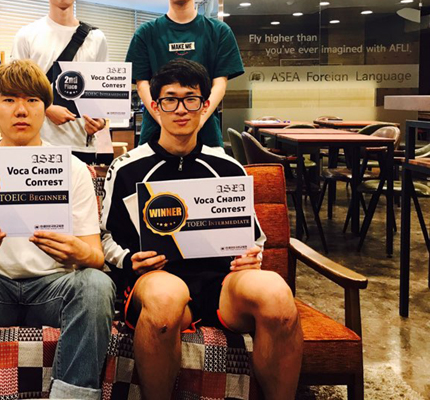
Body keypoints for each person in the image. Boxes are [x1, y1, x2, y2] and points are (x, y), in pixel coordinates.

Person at [100, 59, 302, 400]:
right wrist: (129, 260)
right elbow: (105, 237)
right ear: (155, 107)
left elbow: (254, 237)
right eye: (170, 99)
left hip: (224, 286)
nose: (181, 109)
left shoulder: (228, 166)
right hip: (158, 280)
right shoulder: (125, 168)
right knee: (165, 299)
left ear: (206, 105)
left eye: (190, 99)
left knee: (277, 296)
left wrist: (253, 256)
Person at [0, 59, 116, 400]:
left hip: (52, 289)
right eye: (9, 100)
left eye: (32, 100)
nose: (21, 110)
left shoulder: (72, 168)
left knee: (97, 284)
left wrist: (79, 252)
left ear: (45, 109)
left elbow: (96, 257)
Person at [126, 0, 245, 150]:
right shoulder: (145, 33)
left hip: (205, 131)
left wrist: (200, 119)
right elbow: (142, 83)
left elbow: (220, 83)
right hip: (156, 132)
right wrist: (162, 119)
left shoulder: (219, 31)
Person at [11, 0, 111, 165]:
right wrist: (47, 108)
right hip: (36, 142)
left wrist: (100, 122)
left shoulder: (96, 38)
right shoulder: (26, 35)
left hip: (82, 144)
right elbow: (16, 90)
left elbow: (102, 93)